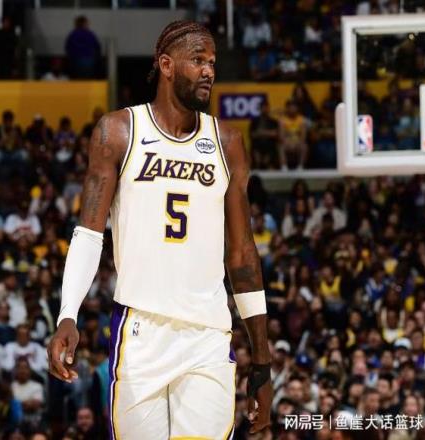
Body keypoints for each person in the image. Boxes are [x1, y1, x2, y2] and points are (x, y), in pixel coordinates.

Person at [48, 20, 272, 439]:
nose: (208, 71)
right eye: (198, 60)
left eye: (212, 62)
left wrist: (262, 360)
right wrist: (67, 315)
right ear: (166, 65)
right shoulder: (118, 131)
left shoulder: (228, 143)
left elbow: (242, 253)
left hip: (207, 333)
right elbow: (89, 233)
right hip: (141, 330)